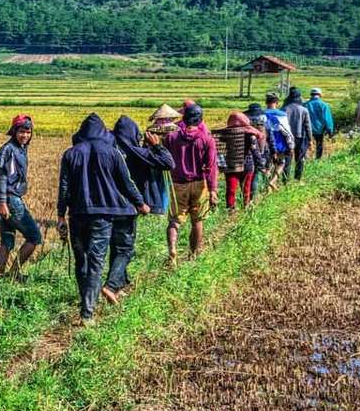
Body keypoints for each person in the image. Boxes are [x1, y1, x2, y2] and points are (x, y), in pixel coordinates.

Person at [57, 114, 149, 325]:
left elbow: (64, 188)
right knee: (96, 260)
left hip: (77, 214)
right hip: (102, 215)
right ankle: (87, 313)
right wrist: (140, 203)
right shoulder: (112, 153)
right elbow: (126, 183)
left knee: (82, 259)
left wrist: (61, 215)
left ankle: (86, 300)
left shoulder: (70, 154)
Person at [109, 116, 173, 301]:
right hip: (129, 205)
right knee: (126, 248)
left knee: (117, 245)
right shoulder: (135, 152)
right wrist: (156, 145)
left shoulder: (111, 150)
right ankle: (112, 285)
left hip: (109, 204)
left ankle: (121, 281)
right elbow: (168, 163)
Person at [164, 101, 219, 264]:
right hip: (199, 183)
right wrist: (213, 189)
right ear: (200, 120)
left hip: (176, 184)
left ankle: (172, 251)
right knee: (197, 220)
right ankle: (193, 254)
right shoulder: (206, 139)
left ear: (184, 118)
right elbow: (211, 167)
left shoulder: (171, 137)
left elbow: (164, 158)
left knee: (174, 221)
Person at [0, 115, 43, 278]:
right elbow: (1, 177)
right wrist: (2, 202)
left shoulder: (19, 148)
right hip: (9, 200)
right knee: (34, 237)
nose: (25, 135)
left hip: (6, 200)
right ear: (14, 132)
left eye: (28, 132)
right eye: (22, 132)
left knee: (7, 241)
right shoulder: (8, 150)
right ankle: (14, 274)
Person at [218, 110, 261, 211]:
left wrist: (260, 163)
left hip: (244, 165)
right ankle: (232, 209)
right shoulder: (227, 134)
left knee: (239, 189)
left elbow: (255, 150)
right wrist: (260, 163)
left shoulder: (250, 136)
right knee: (234, 189)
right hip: (234, 165)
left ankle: (241, 208)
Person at [261, 93, 292, 189]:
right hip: (280, 143)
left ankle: (266, 187)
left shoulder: (262, 114)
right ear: (277, 103)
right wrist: (291, 145)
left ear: (266, 102)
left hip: (266, 143)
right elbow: (286, 132)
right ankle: (272, 181)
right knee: (281, 163)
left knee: (268, 164)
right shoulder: (282, 115)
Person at [282, 87, 312, 181]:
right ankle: (297, 179)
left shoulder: (283, 109)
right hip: (300, 137)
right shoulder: (303, 110)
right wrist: (310, 139)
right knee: (299, 158)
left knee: (287, 159)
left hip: (286, 137)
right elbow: (308, 126)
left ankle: (285, 179)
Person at [306, 88, 335, 159]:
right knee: (319, 145)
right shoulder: (324, 105)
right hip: (320, 130)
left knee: (306, 145)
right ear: (320, 95)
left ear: (311, 95)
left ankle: (306, 159)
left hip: (307, 129)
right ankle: (317, 159)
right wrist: (330, 131)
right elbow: (328, 120)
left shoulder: (305, 105)